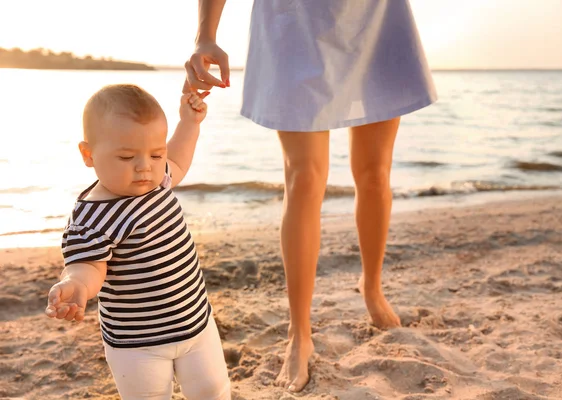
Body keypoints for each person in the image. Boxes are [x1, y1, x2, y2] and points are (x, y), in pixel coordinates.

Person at [185, 0, 437, 392]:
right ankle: (299, 331)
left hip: (375, 15)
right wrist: (205, 34)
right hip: (292, 18)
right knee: (304, 178)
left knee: (374, 173)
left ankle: (371, 288)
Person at [45, 84, 231, 400]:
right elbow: (88, 265)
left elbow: (181, 159)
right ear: (88, 155)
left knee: (213, 391)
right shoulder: (90, 218)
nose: (145, 166)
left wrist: (190, 122)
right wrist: (77, 285)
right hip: (137, 342)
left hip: (196, 321)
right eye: (127, 156)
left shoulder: (158, 180)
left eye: (156, 154)